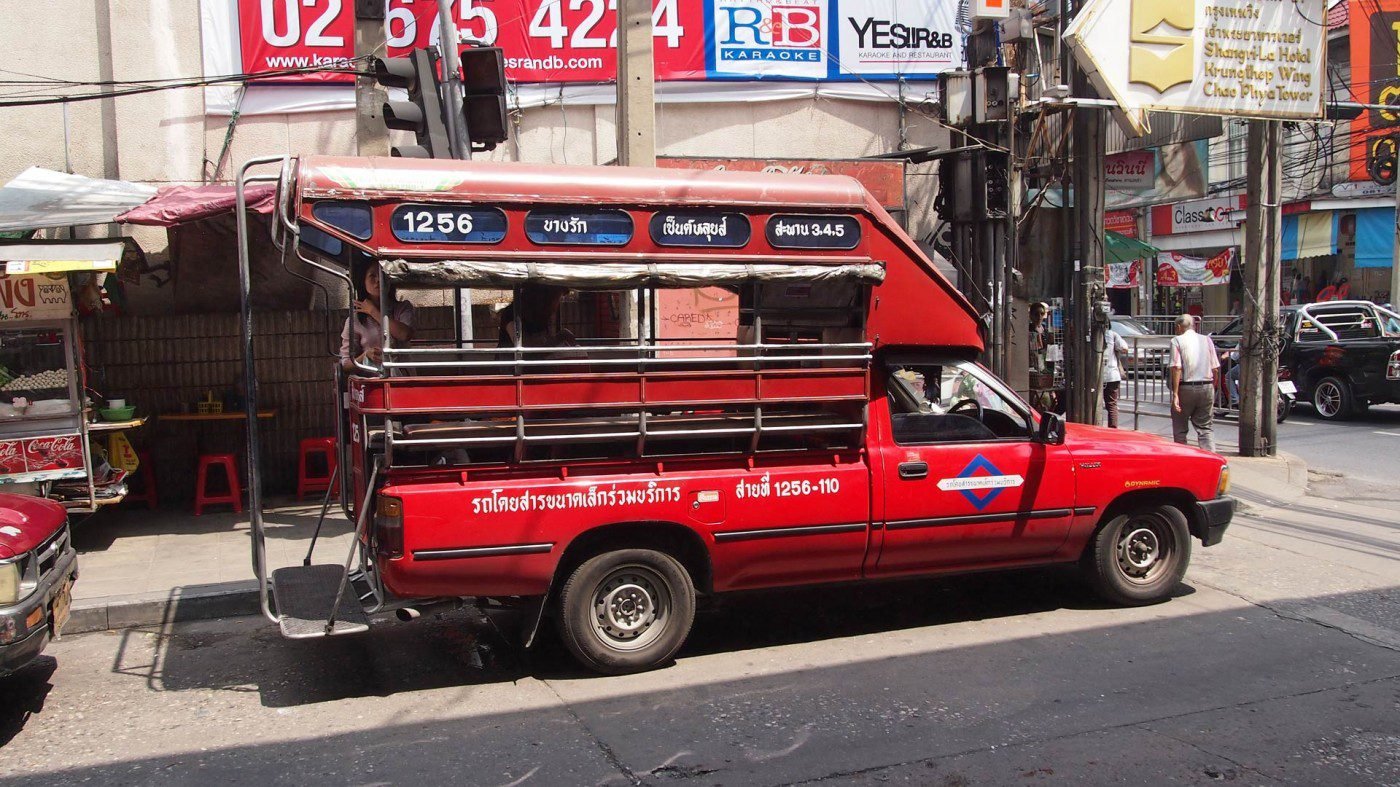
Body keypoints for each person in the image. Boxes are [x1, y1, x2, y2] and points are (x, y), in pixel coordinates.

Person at [340, 264, 415, 371]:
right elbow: (346, 364)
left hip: (402, 379)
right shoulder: (355, 319)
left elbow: (404, 335)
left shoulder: (403, 308)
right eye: (372, 276)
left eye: (383, 275)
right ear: (363, 282)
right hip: (372, 381)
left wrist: (373, 312)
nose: (378, 280)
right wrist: (365, 355)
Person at [1168, 313, 1221, 452]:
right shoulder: (1207, 340)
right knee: (1205, 428)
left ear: (1179, 327)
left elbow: (1176, 367)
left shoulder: (1177, 340)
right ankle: (1211, 459)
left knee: (1180, 428)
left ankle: (1182, 458)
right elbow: (1215, 368)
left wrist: (1175, 394)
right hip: (1207, 386)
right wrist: (1212, 387)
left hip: (1185, 387)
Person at [1101, 324, 1129, 428]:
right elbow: (1124, 348)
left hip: (1095, 376)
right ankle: (1113, 429)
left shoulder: (1090, 333)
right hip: (1111, 374)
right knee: (1111, 404)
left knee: (1093, 403)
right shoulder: (1112, 334)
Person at [1028, 301, 1050, 372]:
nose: (1040, 317)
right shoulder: (1028, 329)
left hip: (1044, 363)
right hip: (1032, 364)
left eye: (1042, 314)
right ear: (1031, 315)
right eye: (1036, 314)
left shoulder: (1045, 330)